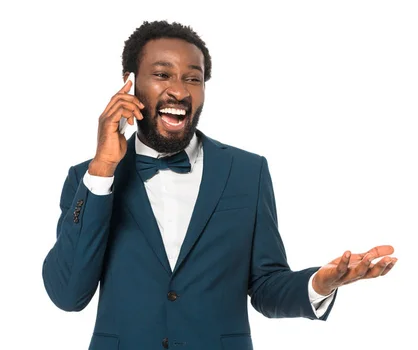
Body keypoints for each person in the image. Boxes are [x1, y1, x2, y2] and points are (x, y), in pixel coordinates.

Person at [42, 20, 397, 350]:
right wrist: (103, 168)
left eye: (193, 79)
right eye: (162, 74)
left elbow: (265, 286)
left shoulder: (247, 172)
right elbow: (67, 294)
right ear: (130, 83)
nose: (179, 91)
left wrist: (319, 283)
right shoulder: (88, 179)